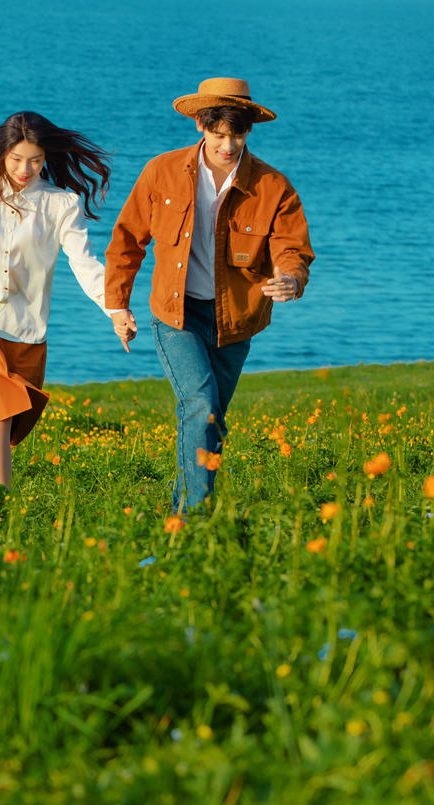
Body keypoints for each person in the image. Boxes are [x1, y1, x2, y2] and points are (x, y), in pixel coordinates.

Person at [105, 78, 314, 512]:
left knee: (212, 418)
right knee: (200, 404)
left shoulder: (273, 186)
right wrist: (117, 306)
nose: (228, 145)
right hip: (175, 314)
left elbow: (291, 249)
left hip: (235, 319)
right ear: (201, 126)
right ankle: (195, 517)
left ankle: (189, 505)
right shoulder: (160, 172)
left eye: (236, 135)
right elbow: (127, 239)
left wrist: (291, 279)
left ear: (248, 131)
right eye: (219, 135)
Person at [0, 111, 126, 489]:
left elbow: (85, 263)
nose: (25, 168)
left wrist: (114, 308)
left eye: (34, 159)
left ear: (46, 157)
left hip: (25, 328)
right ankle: (3, 508)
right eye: (16, 159)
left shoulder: (61, 204)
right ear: (1, 153)